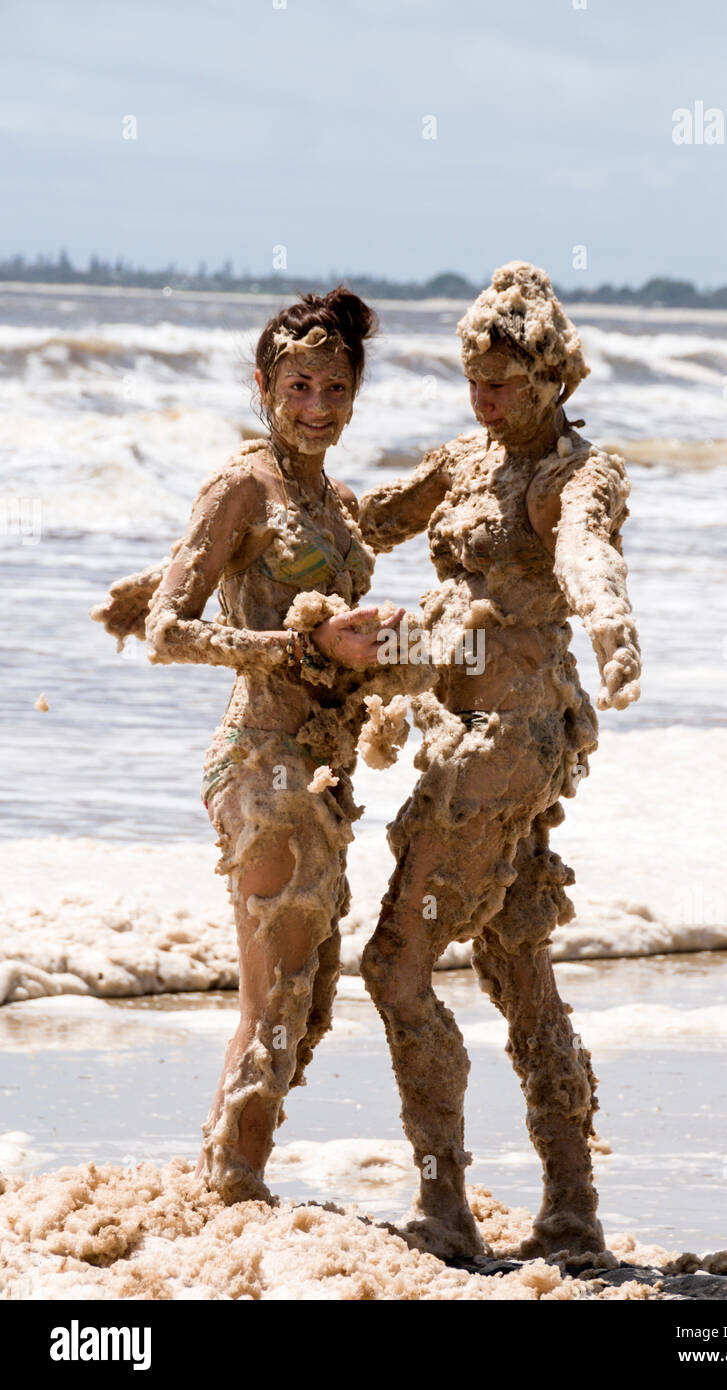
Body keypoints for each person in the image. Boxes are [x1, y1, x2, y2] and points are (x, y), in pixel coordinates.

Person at [91, 289, 418, 1205]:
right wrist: (300, 646)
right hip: (257, 762)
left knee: (307, 1003)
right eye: (299, 385)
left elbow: (346, 632)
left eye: (336, 388)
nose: (318, 407)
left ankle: (222, 1176)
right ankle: (235, 1192)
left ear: (356, 394)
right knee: (272, 996)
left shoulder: (335, 500)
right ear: (263, 387)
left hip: (323, 768)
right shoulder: (242, 486)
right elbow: (166, 628)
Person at [357, 262, 642, 1260]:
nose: (483, 396)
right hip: (459, 724)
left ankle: (443, 1205)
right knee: (515, 960)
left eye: (503, 380)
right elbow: (360, 523)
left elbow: (582, 552)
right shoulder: (465, 459)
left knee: (394, 963)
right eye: (472, 376)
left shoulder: (572, 473)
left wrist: (607, 620)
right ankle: (571, 1209)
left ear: (551, 376)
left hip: (512, 744)